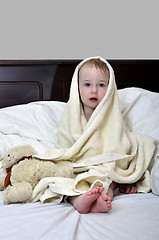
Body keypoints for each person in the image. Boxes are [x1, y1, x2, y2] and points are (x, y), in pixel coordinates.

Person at [68, 58, 137, 213]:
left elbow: (119, 143)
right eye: (87, 84)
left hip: (104, 168)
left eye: (101, 85)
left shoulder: (112, 115)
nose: (94, 90)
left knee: (107, 182)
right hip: (80, 167)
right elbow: (66, 144)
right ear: (77, 87)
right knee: (65, 182)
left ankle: (102, 199)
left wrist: (120, 173)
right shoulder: (72, 115)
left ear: (110, 88)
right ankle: (79, 201)